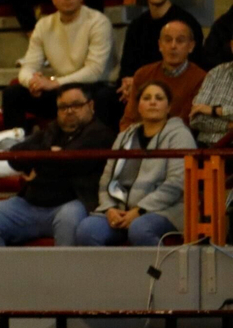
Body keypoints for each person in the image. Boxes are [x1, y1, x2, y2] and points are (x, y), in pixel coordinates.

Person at [0, 84, 112, 246]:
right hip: (32, 203)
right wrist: (48, 152)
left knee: (70, 217)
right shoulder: (52, 130)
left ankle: (66, 272)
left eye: (76, 105)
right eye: (63, 107)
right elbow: (15, 155)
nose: (69, 111)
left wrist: (38, 165)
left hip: (70, 203)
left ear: (91, 105)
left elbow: (69, 164)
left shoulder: (100, 134)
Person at [74, 82, 192, 247]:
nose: (153, 102)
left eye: (159, 98)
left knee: (139, 228)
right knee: (87, 229)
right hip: (121, 210)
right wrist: (109, 209)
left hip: (165, 210)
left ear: (169, 107)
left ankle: (164, 273)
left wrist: (140, 210)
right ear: (139, 107)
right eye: (147, 98)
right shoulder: (123, 136)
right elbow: (106, 179)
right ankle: (109, 274)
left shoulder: (180, 135)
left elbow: (178, 182)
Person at [1, 0, 115, 130]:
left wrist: (54, 83)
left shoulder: (98, 22)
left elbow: (94, 71)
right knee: (13, 94)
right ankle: (16, 149)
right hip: (61, 87)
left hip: (94, 86)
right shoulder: (43, 25)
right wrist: (33, 83)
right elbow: (28, 66)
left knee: (104, 97)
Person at [120, 0, 204, 82]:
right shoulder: (136, 25)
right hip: (139, 87)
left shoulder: (186, 23)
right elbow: (126, 67)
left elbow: (193, 67)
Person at [120, 20, 205, 129]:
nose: (173, 46)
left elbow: (187, 122)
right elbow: (129, 119)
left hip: (177, 139)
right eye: (168, 40)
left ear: (191, 46)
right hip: (141, 137)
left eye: (180, 41)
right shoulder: (143, 74)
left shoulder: (200, 78)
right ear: (160, 45)